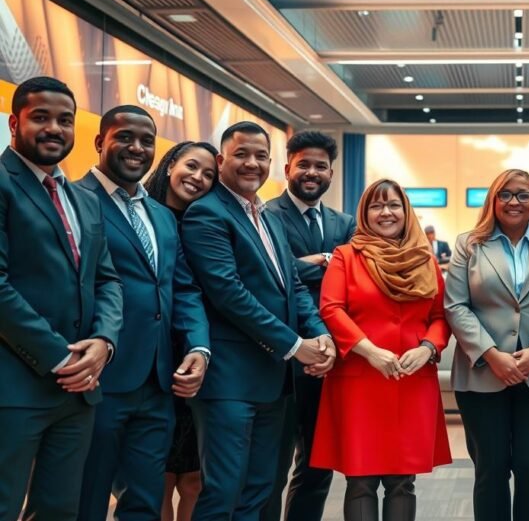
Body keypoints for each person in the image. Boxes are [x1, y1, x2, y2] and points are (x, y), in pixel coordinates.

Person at [180, 121, 337, 520]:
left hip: (271, 381)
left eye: (261, 156)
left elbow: (293, 286)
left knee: (258, 490)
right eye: (242, 154)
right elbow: (229, 294)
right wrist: (295, 346)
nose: (252, 163)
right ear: (221, 161)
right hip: (229, 381)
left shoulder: (266, 217)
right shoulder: (206, 214)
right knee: (223, 492)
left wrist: (320, 335)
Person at [76, 107, 212, 521]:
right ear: (99, 142)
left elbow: (182, 289)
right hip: (97, 378)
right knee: (85, 500)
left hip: (158, 383)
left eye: (147, 141)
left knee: (145, 503)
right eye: (125, 137)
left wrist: (198, 346)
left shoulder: (160, 215)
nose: (136, 148)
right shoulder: (75, 200)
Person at [0, 76, 123, 520]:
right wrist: (61, 357)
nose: (54, 128)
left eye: (65, 120)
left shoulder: (82, 199)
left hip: (77, 394)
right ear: (15, 123)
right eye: (41, 117)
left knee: (59, 511)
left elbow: (107, 280)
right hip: (13, 388)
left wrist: (104, 342)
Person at [444, 168, 529, 521]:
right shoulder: (469, 244)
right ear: (493, 200)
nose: (514, 202)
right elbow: (456, 306)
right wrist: (492, 355)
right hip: (482, 374)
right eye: (505, 194)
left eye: (523, 194)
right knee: (490, 470)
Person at [311, 178, 452, 521]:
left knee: (402, 481)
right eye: (376, 206)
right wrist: (370, 351)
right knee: (360, 480)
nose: (385, 212)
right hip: (360, 379)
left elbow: (440, 315)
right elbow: (331, 309)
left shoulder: (425, 259)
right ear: (364, 213)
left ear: (406, 211)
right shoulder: (346, 257)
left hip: (411, 379)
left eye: (393, 205)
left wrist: (428, 348)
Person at [264, 131, 355, 521]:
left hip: (329, 354)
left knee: (318, 463)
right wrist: (320, 262)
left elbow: (354, 281)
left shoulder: (345, 223)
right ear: (288, 169)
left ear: (331, 172)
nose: (312, 172)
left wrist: (299, 265)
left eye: (321, 166)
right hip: (280, 355)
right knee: (273, 464)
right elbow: (269, 278)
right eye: (304, 164)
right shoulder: (265, 215)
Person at [144, 140, 220, 521]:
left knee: (193, 479)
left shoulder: (207, 222)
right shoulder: (140, 211)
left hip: (197, 354)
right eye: (192, 166)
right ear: (171, 163)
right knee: (156, 476)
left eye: (208, 174)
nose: (198, 178)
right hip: (150, 359)